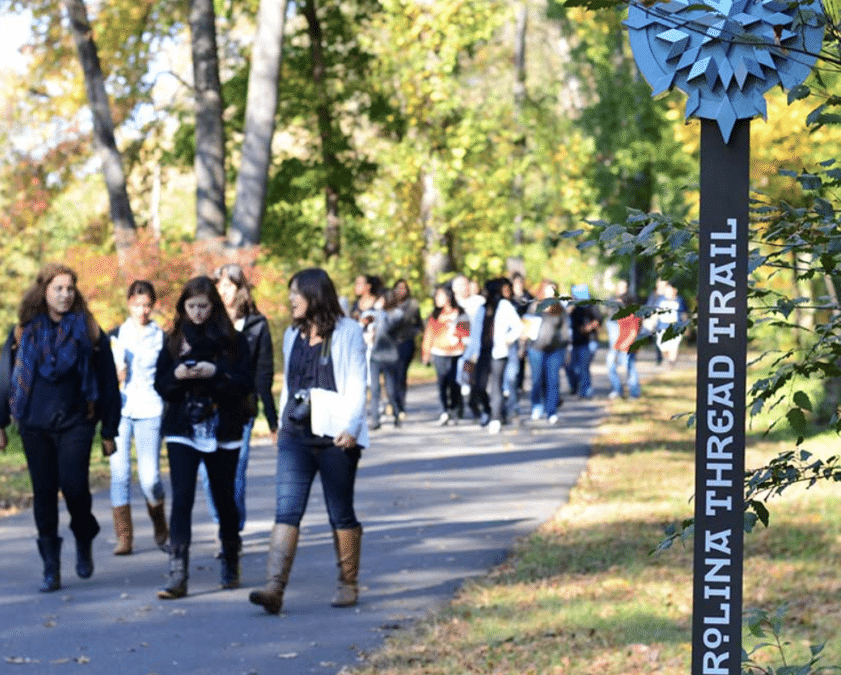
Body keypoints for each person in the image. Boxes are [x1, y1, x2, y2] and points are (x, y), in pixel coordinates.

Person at [249, 268, 368, 614]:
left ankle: (348, 582)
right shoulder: (291, 334)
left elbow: (357, 382)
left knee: (340, 512)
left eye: (296, 294)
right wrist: (282, 426)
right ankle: (274, 588)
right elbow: (288, 383)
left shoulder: (347, 333)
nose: (290, 300)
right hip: (296, 437)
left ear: (315, 295)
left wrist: (352, 426)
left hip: (336, 437)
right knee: (286, 509)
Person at [0, 263, 121, 592]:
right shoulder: (23, 331)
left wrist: (110, 428)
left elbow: (108, 382)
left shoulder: (90, 331)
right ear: (45, 291)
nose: (65, 295)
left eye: (70, 289)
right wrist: (1, 422)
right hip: (34, 424)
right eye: (58, 289)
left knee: (74, 487)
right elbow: (4, 378)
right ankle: (50, 566)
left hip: (76, 422)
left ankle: (84, 536)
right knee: (43, 493)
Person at [154, 276, 254, 599]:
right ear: (183, 306)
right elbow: (161, 384)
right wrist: (178, 375)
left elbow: (245, 382)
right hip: (183, 426)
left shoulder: (233, 340)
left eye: (203, 306)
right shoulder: (173, 340)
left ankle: (230, 560)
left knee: (224, 497)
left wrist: (217, 373)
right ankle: (178, 574)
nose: (197, 313)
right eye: (191, 306)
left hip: (223, 425)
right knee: (181, 498)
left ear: (214, 307)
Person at [198, 264, 278, 545]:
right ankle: (225, 526)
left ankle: (231, 531)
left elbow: (263, 374)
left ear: (240, 289)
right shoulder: (205, 322)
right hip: (207, 411)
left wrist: (272, 421)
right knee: (209, 477)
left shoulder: (257, 324)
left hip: (240, 409)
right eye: (219, 286)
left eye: (229, 286)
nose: (223, 291)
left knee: (235, 472)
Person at [108, 280, 168, 555]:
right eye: (137, 305)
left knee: (149, 478)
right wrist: (114, 376)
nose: (142, 311)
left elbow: (168, 377)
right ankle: (125, 538)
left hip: (151, 410)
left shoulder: (162, 337)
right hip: (121, 411)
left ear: (153, 305)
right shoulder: (115, 336)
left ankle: (159, 522)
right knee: (119, 474)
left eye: (147, 305)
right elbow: (101, 376)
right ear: (128, 304)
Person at [472, 278, 523, 434]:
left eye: (486, 291)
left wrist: (509, 339)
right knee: (479, 386)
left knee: (496, 386)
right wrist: (470, 354)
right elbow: (474, 333)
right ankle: (487, 410)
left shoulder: (505, 306)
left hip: (499, 353)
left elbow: (518, 326)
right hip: (482, 352)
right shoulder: (481, 309)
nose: (484, 294)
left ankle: (495, 418)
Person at [421, 284, 470, 425]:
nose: (437, 298)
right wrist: (426, 353)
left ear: (448, 297)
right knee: (442, 382)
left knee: (454, 383)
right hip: (439, 353)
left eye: (440, 295)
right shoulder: (435, 316)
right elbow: (429, 335)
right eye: (436, 296)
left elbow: (465, 333)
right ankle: (444, 411)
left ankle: (455, 410)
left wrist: (457, 336)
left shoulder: (460, 313)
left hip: (457, 353)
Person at [526, 280, 569, 424]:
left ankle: (552, 411)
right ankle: (536, 406)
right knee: (537, 380)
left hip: (555, 350)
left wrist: (566, 349)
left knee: (553, 380)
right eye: (549, 290)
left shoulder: (559, 309)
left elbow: (565, 331)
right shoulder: (535, 307)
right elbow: (527, 326)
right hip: (536, 349)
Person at [368, 290, 404, 429]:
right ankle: (375, 420)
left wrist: (379, 314)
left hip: (390, 356)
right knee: (374, 389)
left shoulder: (396, 314)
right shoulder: (378, 314)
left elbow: (388, 327)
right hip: (376, 355)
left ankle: (396, 413)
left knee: (390, 389)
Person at [392, 279, 423, 419]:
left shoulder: (413, 305)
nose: (401, 290)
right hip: (390, 344)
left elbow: (419, 324)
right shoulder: (389, 304)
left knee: (401, 373)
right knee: (390, 375)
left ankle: (400, 404)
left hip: (406, 343)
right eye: (398, 288)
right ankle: (392, 402)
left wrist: (413, 333)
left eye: (404, 288)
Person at [566, 284, 602, 399]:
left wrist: (588, 328)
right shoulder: (572, 307)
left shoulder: (590, 305)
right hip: (575, 342)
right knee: (571, 367)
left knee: (583, 367)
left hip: (588, 341)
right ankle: (577, 387)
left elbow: (598, 320)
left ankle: (586, 391)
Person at [607, 282, 642, 399]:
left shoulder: (632, 314)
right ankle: (619, 390)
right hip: (621, 345)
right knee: (613, 365)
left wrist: (625, 345)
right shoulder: (622, 314)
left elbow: (633, 332)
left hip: (627, 347)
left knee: (630, 368)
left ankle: (634, 393)